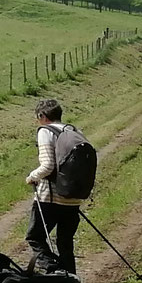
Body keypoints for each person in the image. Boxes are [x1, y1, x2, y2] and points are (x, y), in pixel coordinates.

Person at [24, 98, 88, 272]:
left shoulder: (45, 132)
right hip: (73, 197)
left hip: (50, 197)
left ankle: (56, 271)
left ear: (43, 116)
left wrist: (32, 177)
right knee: (65, 243)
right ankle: (71, 281)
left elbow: (48, 166)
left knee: (35, 237)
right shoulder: (74, 130)